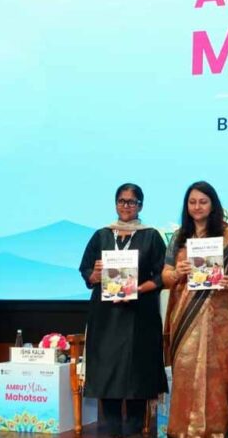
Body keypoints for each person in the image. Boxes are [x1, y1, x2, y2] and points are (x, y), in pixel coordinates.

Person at [162, 181, 228, 437]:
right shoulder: (179, 237)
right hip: (185, 317)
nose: (197, 207)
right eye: (192, 202)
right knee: (184, 371)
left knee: (218, 373)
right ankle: (182, 431)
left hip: (220, 317)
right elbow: (166, 276)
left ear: (213, 205)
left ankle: (217, 430)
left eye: (203, 202)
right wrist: (177, 272)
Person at [79, 183, 168, 437]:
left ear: (141, 205)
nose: (126, 206)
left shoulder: (151, 236)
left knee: (138, 372)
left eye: (132, 202)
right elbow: (86, 270)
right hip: (106, 317)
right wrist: (95, 275)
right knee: (107, 371)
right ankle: (112, 428)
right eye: (122, 201)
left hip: (140, 315)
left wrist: (139, 288)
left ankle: (135, 427)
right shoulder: (101, 235)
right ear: (115, 203)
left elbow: (163, 275)